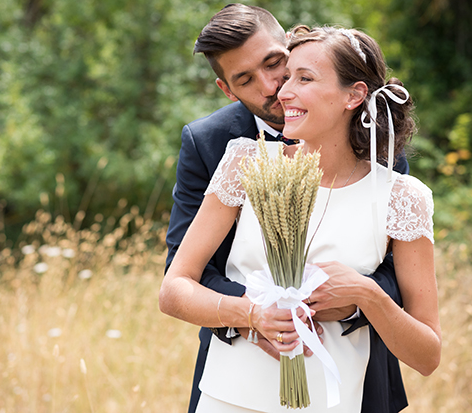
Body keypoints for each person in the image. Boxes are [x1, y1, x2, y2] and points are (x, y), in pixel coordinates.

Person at [160, 23, 441, 411]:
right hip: (230, 396)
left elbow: (428, 356)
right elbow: (173, 289)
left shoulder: (401, 196)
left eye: (303, 78)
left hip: (335, 399)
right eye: (287, 75)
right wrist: (254, 315)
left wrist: (365, 293)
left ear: (354, 95)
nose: (282, 91)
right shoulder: (245, 161)